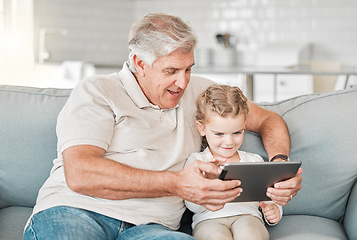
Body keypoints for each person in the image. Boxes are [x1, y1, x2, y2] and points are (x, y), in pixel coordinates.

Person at [23, 13, 302, 240]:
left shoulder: (200, 93)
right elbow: (80, 173)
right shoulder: (97, 91)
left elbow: (269, 119)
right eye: (170, 71)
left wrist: (279, 167)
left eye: (188, 68)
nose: (182, 83)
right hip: (77, 211)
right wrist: (178, 184)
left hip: (152, 228)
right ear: (139, 63)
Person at [185, 84, 282, 240]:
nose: (229, 142)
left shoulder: (253, 160)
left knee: (249, 234)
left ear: (244, 127)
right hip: (209, 220)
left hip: (248, 217)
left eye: (237, 132)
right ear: (201, 128)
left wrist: (274, 210)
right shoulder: (197, 161)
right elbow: (192, 207)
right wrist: (207, 188)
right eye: (219, 134)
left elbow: (269, 197)